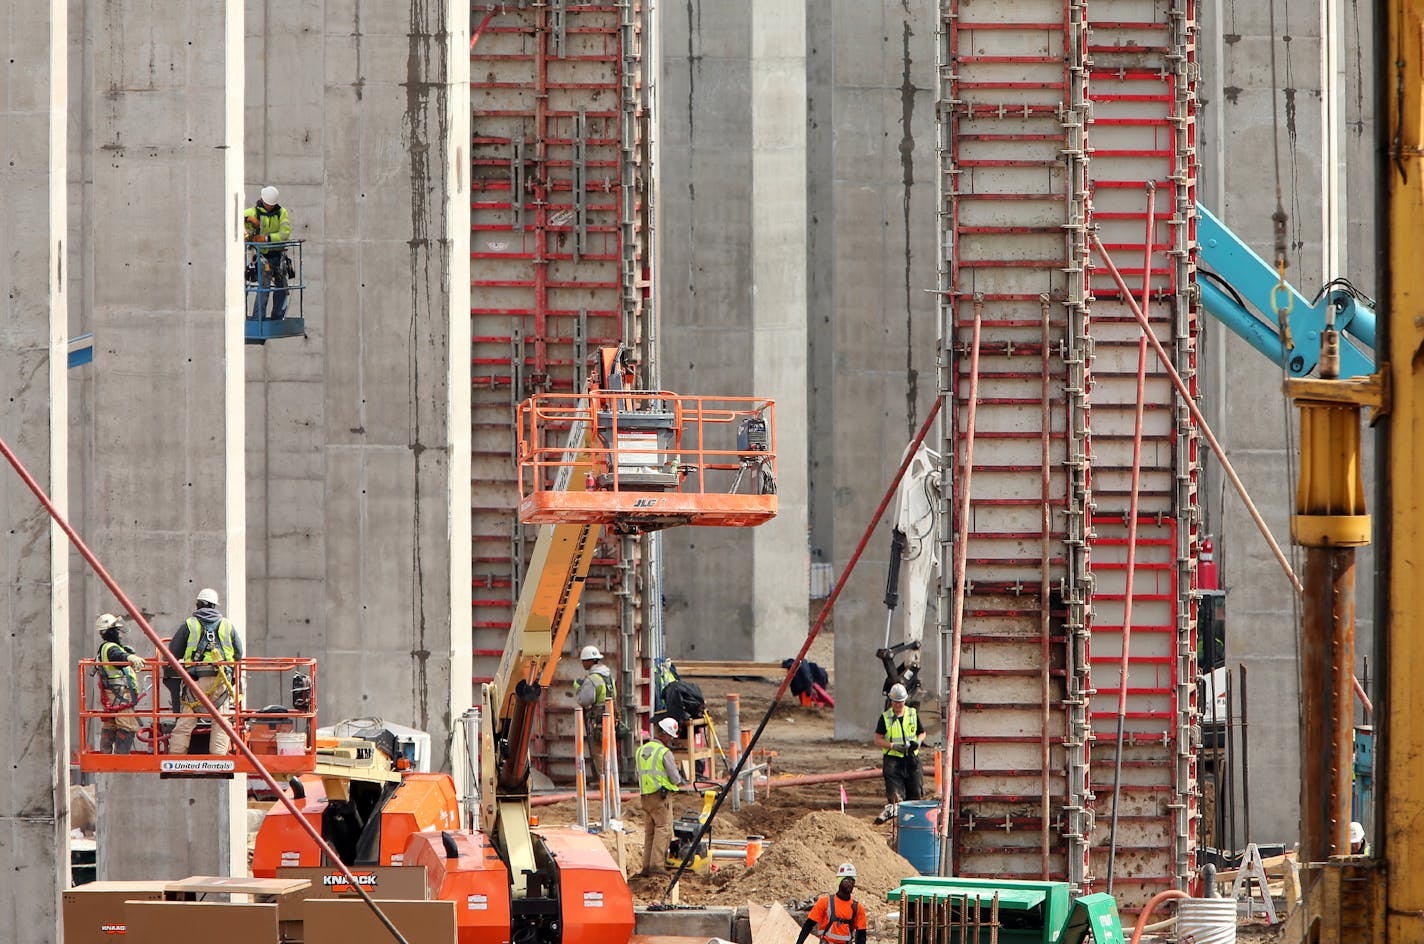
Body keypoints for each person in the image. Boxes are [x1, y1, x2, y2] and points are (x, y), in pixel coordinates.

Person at [166, 587, 244, 755]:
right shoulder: (227, 625)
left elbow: (172, 653)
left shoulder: (189, 624)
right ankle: (218, 757)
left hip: (196, 681)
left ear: (198, 604)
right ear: (215, 606)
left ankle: (177, 755)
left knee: (186, 719)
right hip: (221, 680)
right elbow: (239, 653)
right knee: (222, 721)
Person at [636, 716, 687, 877]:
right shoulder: (664, 752)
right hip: (660, 797)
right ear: (664, 734)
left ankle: (647, 866)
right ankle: (657, 866)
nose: (671, 739)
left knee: (650, 832)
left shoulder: (641, 750)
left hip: (645, 796)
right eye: (670, 736)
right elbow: (675, 779)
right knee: (663, 829)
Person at [94, 613, 146, 754]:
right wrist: (129, 657)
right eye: (117, 630)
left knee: (111, 723)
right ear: (111, 631)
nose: (120, 634)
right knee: (127, 723)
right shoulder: (111, 648)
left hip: (113, 692)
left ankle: (105, 753)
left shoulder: (106, 647)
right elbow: (117, 656)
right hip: (118, 693)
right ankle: (121, 755)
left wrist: (127, 653)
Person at [873, 683, 923, 824]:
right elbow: (877, 739)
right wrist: (893, 746)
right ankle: (899, 824)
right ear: (891, 701)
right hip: (893, 761)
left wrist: (917, 743)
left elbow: (922, 733)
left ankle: (915, 822)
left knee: (915, 794)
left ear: (905, 700)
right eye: (896, 702)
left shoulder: (912, 714)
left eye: (900, 702)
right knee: (896, 796)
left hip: (912, 759)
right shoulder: (886, 717)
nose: (898, 706)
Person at [244, 185, 293, 321]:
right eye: (267, 204)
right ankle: (258, 319)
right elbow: (235, 218)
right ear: (262, 200)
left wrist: (266, 238)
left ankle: (277, 318)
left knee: (282, 289)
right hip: (263, 256)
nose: (269, 207)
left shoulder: (281, 213)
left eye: (270, 205)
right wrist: (247, 219)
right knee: (264, 289)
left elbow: (285, 234)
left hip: (278, 255)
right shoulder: (253, 212)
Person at [795, 863, 868, 944]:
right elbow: (808, 925)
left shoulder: (857, 908)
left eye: (852, 880)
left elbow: (861, 935)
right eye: (846, 880)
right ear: (839, 881)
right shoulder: (825, 902)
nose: (850, 883)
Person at [574, 644, 618, 771]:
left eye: (584, 661)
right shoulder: (608, 676)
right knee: (609, 749)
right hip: (610, 716)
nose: (583, 664)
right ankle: (612, 779)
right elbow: (613, 695)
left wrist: (579, 688)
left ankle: (605, 780)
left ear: (589, 661)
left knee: (598, 751)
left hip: (598, 720)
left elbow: (584, 701)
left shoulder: (592, 679)